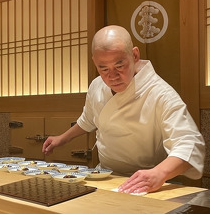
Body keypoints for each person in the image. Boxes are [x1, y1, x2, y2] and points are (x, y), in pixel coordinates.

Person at [42, 25, 205, 194]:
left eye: (119, 66)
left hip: (146, 183)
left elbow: (189, 144)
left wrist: (159, 173)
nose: (112, 76)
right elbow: (88, 119)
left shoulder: (161, 93)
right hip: (105, 177)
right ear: (94, 62)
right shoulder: (97, 85)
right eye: (103, 68)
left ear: (135, 55)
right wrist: (61, 138)